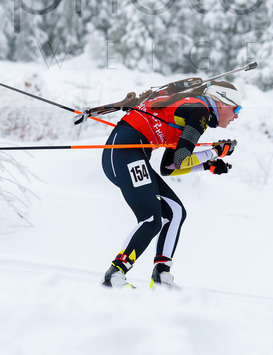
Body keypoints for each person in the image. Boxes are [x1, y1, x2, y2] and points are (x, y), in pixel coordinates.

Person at [100, 80, 242, 289]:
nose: (236, 116)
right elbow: (180, 160)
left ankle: (161, 276)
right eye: (236, 109)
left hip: (130, 156)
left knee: (175, 212)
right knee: (151, 219)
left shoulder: (192, 108)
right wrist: (215, 152)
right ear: (221, 103)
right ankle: (114, 275)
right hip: (125, 154)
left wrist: (207, 165)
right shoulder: (200, 111)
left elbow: (170, 166)